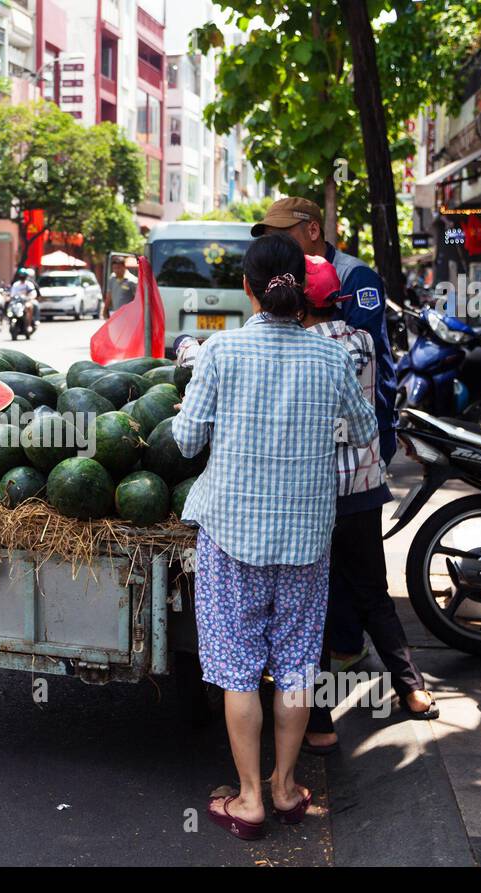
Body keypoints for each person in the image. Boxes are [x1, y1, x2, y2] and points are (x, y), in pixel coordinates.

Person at [173, 233, 377, 840]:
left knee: (238, 672)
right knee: (294, 668)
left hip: (230, 534)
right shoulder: (332, 357)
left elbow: (186, 441)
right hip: (306, 539)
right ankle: (287, 789)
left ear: (248, 288)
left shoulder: (220, 352)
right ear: (305, 291)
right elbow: (362, 432)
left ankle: (249, 799)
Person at [300, 255, 438, 754]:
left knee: (311, 606)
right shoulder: (359, 342)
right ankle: (413, 689)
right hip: (362, 486)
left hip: (316, 494)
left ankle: (320, 724)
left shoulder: (302, 347)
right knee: (374, 593)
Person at [255, 196, 396, 669]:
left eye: (283, 236)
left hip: (357, 440)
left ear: (312, 230)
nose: (277, 247)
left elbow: (354, 355)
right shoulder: (293, 284)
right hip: (323, 450)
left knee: (350, 562)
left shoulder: (354, 278)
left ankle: (343, 648)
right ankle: (351, 656)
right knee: (332, 562)